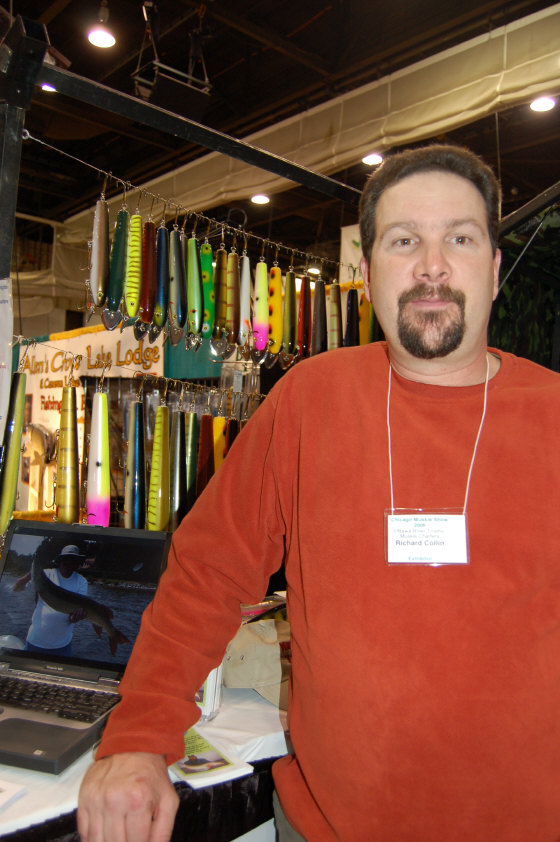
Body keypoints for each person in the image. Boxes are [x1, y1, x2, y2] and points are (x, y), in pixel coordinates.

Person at [77, 144, 560, 842]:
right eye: (404, 241)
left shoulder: (552, 415)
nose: (431, 265)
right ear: (367, 271)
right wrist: (139, 737)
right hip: (326, 826)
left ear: (492, 269)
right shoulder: (309, 400)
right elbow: (207, 572)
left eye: (459, 238)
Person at [23, 544, 89, 656]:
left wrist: (75, 618)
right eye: (66, 561)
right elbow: (17, 588)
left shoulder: (81, 581)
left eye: (73, 562)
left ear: (77, 564)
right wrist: (28, 576)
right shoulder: (47, 574)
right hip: (35, 641)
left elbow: (73, 617)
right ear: (60, 561)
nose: (68, 565)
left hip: (62, 646)